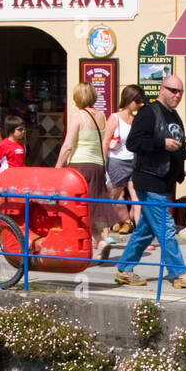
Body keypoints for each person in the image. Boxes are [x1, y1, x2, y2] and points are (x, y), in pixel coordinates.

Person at [112, 75, 186, 290]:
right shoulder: (148, 112)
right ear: (162, 89)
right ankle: (180, 273)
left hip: (165, 180)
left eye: (180, 92)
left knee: (146, 229)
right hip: (149, 179)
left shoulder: (174, 115)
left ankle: (124, 269)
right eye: (173, 90)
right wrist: (161, 143)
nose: (177, 95)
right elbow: (134, 142)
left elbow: (175, 149)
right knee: (166, 228)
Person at [56, 82, 113, 259]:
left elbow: (68, 145)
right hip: (98, 166)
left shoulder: (78, 115)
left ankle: (77, 248)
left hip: (80, 166)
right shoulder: (102, 116)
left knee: (75, 209)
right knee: (91, 209)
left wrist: (58, 166)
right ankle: (100, 241)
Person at [106, 85, 145, 234]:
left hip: (133, 162)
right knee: (113, 197)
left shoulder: (136, 119)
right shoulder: (115, 117)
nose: (139, 104)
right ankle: (104, 232)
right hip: (117, 161)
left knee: (137, 199)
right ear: (128, 99)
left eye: (140, 101)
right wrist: (103, 164)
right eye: (137, 100)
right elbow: (105, 142)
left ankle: (139, 233)